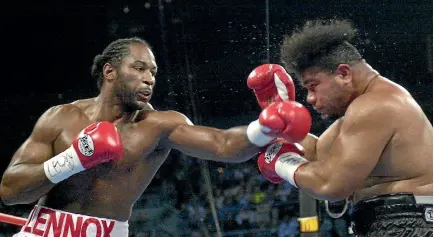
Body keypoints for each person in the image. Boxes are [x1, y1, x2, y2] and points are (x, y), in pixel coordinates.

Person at [0, 37, 311, 236]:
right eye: (138, 68)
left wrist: (268, 125)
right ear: (110, 73)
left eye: (153, 72)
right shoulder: (61, 117)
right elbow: (10, 191)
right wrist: (72, 159)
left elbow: (224, 145)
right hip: (40, 230)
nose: (149, 78)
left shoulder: (159, 126)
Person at [247, 19, 433, 236]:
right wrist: (279, 115)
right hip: (392, 221)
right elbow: (318, 153)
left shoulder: (375, 105)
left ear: (344, 73)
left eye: (313, 86)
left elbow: (331, 185)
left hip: (409, 222)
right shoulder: (364, 109)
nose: (310, 99)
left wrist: (282, 163)